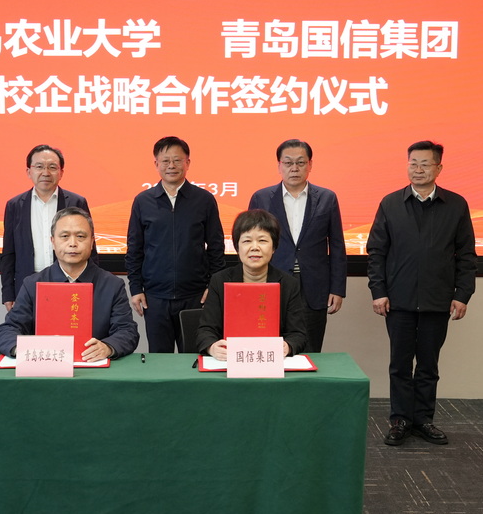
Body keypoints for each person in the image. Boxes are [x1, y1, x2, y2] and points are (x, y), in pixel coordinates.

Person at [366, 140, 477, 447]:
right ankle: (400, 420)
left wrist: (462, 294)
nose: (418, 169)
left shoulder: (456, 205)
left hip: (437, 300)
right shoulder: (390, 203)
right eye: (413, 163)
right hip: (397, 300)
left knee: (428, 365)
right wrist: (378, 291)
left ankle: (424, 420)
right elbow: (376, 252)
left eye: (425, 164)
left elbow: (467, 254)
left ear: (439, 168)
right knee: (400, 365)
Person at [0, 207, 139, 361]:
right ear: (53, 242)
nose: (72, 243)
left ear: (92, 242)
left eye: (80, 236)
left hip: (94, 365)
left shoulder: (112, 285)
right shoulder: (33, 284)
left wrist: (108, 347)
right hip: (46, 366)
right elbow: (8, 329)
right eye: (64, 236)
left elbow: (127, 331)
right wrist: (23, 350)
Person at [126, 136, 225, 352]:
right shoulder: (143, 201)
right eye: (165, 161)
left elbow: (216, 248)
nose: (171, 166)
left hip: (195, 297)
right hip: (155, 297)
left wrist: (213, 287)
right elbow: (134, 249)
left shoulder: (204, 200)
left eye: (177, 160)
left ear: (187, 163)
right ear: (156, 164)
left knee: (194, 358)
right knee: (159, 360)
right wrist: (135, 288)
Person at [249, 139, 346, 352]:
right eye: (288, 162)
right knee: (270, 348)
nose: (294, 168)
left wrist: (337, 288)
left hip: (314, 286)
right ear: (279, 165)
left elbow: (337, 245)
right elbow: (249, 243)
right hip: (271, 282)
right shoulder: (261, 198)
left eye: (300, 162)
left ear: (310, 165)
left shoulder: (327, 198)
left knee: (310, 349)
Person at [196, 209, 307, 360]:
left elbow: (298, 334)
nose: (255, 247)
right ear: (237, 247)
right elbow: (205, 330)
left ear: (274, 247)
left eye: (262, 241)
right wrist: (212, 347)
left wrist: (288, 346)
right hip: (231, 360)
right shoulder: (219, 281)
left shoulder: (289, 284)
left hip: (271, 360)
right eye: (247, 241)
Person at [1, 144, 93, 311]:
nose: (46, 172)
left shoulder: (76, 202)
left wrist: (90, 285)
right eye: (39, 167)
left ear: (61, 172)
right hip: (27, 284)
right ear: (29, 172)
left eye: (52, 167)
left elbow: (89, 247)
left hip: (69, 282)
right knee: (28, 327)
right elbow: (9, 253)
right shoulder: (14, 205)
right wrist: (8, 293)